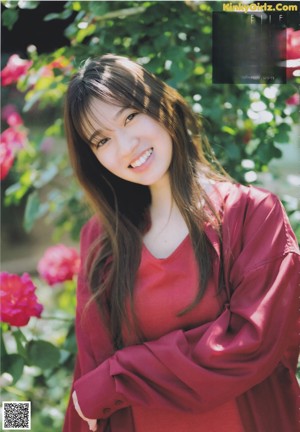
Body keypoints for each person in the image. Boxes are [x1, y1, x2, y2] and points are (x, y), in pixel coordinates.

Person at [63, 54, 300, 432]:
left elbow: (250, 345)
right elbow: (89, 385)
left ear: (161, 105)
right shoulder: (101, 241)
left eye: (129, 117)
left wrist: (118, 378)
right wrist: (100, 386)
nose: (125, 146)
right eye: (102, 139)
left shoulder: (253, 215)